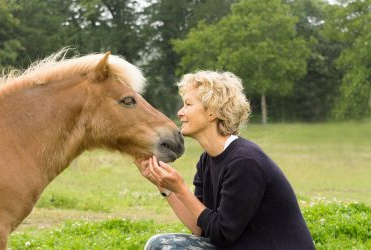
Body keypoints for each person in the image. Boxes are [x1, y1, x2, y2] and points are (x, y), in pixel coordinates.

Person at [135, 71, 315, 250]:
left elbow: (222, 235)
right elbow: (201, 228)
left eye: (188, 104)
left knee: (164, 246)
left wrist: (181, 188)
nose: (180, 112)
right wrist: (165, 187)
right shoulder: (206, 160)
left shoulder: (245, 162)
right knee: (162, 244)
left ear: (212, 112)